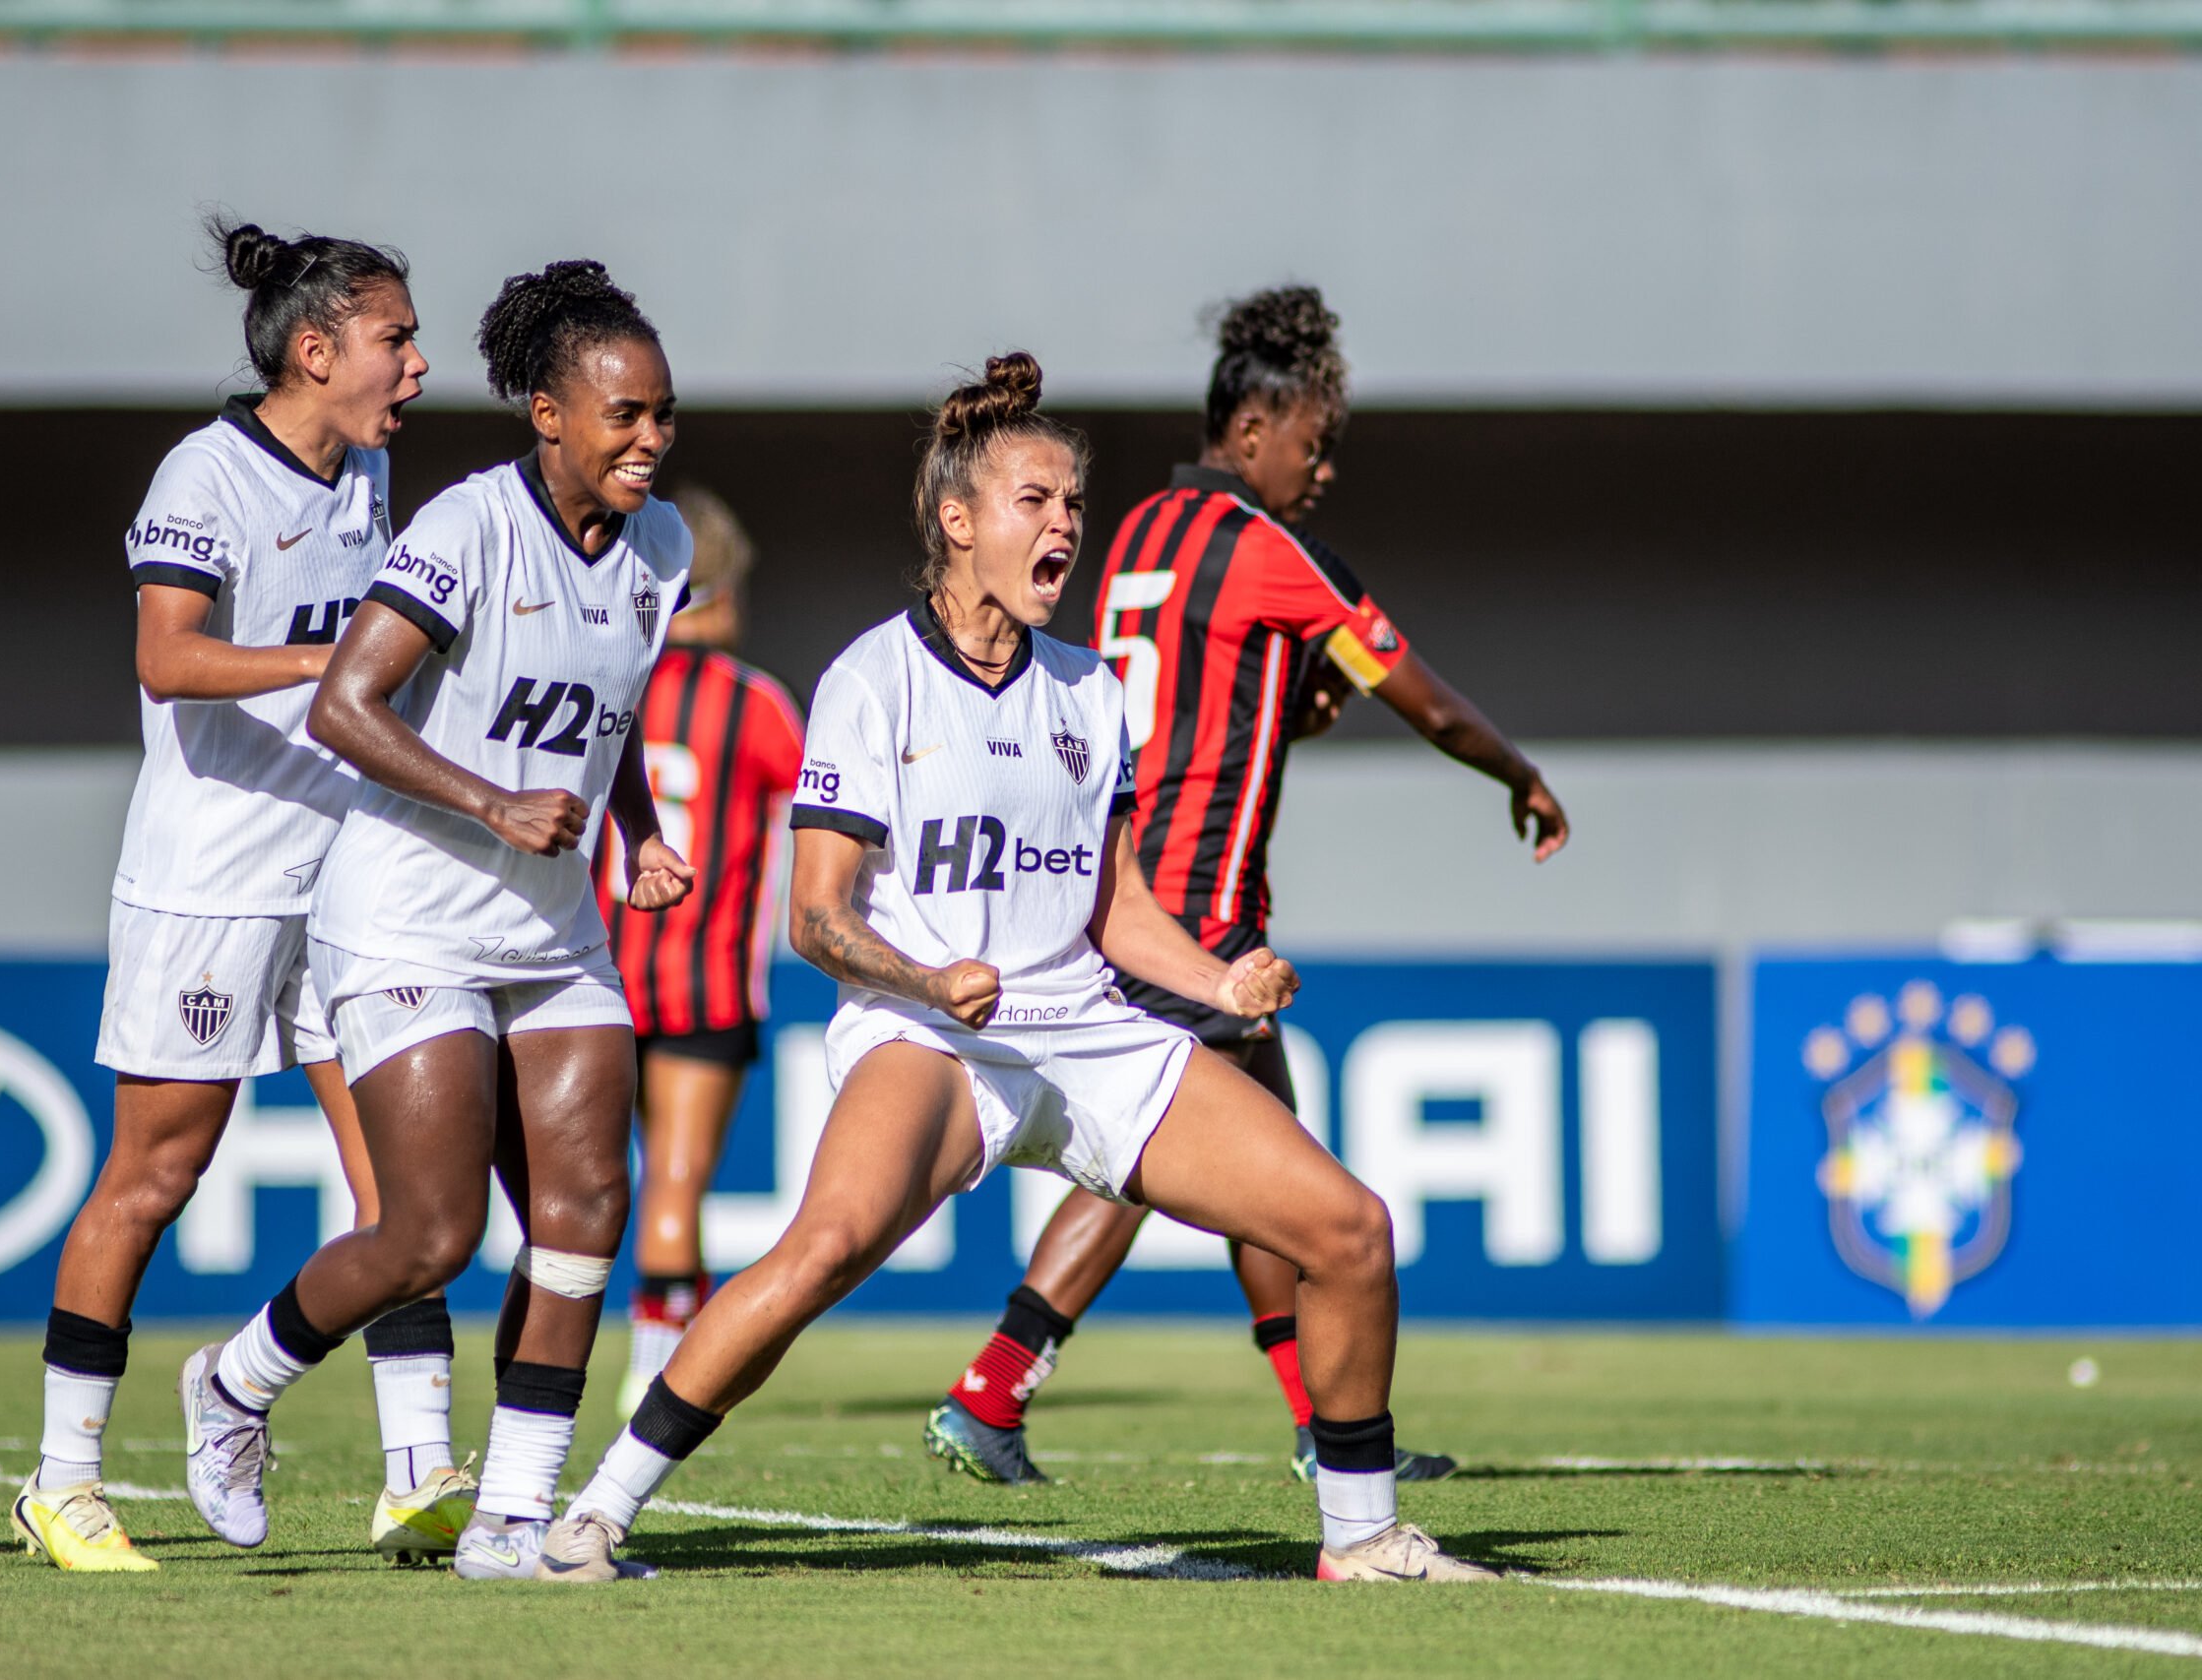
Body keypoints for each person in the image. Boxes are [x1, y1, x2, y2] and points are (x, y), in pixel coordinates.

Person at [535, 353, 1497, 1587]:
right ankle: (594, 1517)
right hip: (930, 1037)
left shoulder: (1089, 693)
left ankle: (1362, 1540)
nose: (1064, 528)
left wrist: (1218, 984)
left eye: (1072, 506)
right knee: (823, 1247)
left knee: (1350, 1230)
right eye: (1034, 502)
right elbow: (815, 923)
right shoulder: (871, 681)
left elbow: (1121, 910)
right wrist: (929, 985)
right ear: (958, 521)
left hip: (1088, 1033)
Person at [924, 287, 1570, 1489]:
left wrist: (1287, 711)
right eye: (1312, 447)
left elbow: (1194, 708)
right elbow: (1415, 691)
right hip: (1191, 909)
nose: (1319, 473)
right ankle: (992, 1387)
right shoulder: (1270, 552)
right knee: (1155, 1147)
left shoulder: (1142, 531)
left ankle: (1317, 1427)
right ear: (1257, 428)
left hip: (1125, 873)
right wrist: (1518, 773)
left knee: (1280, 1179)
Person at [173, 259, 696, 1584]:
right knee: (433, 1233)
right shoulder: (469, 528)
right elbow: (349, 704)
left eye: (662, 414)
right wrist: (491, 800)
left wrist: (633, 824)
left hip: (557, 931)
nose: (648, 439)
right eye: (622, 414)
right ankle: (235, 1381)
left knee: (583, 1213)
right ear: (549, 414)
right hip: (405, 912)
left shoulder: (665, 547)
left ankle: (514, 1520)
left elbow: (605, 711)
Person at [12, 218, 454, 1575]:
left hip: (352, 876)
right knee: (154, 1174)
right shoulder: (206, 471)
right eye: (396, 339)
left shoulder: (367, 479)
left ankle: (418, 1468)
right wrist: (332, 663)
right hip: (210, 882)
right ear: (316, 351)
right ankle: (63, 1479)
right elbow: (169, 655)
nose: (418, 366)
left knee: (404, 1178)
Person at [591, 487, 806, 1418]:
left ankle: (556, 1380)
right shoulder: (756, 705)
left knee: (587, 1187)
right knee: (673, 1181)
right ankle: (656, 1371)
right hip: (707, 980)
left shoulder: (607, 684)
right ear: (712, 592)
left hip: (592, 971)